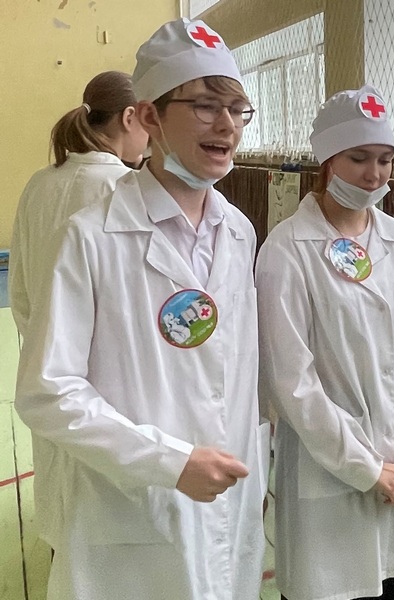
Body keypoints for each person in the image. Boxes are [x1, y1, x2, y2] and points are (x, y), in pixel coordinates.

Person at [14, 19, 267, 599]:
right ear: (149, 116)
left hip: (226, 505)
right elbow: (48, 390)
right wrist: (169, 462)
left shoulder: (238, 231)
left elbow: (235, 374)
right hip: (130, 506)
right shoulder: (92, 236)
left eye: (237, 109)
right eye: (205, 106)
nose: (227, 125)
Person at [256, 85, 394, 600]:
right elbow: (291, 383)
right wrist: (366, 468)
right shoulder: (288, 249)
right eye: (358, 158)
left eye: (385, 159)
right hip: (329, 481)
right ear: (327, 161)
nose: (374, 174)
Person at [12, 70, 149, 339]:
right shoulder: (128, 187)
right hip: (110, 354)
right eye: (149, 121)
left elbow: (18, 286)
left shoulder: (38, 183)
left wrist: (40, 345)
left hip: (42, 349)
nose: (151, 136)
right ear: (129, 117)